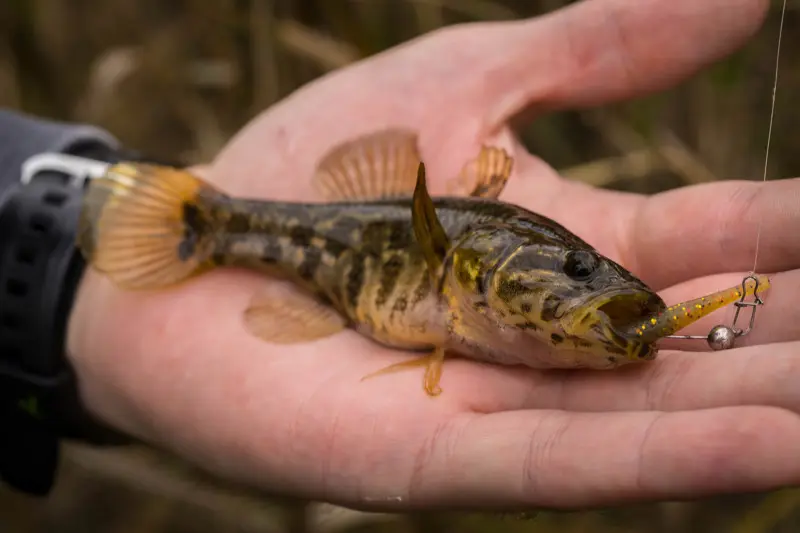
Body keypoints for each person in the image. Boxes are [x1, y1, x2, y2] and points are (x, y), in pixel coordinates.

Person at [2, 0, 798, 511]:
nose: (595, 282)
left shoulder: (528, 300)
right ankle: (194, 224)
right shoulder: (456, 269)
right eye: (581, 268)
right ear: (480, 270)